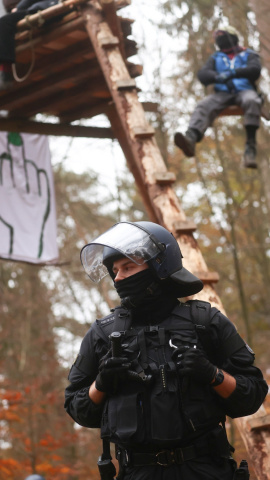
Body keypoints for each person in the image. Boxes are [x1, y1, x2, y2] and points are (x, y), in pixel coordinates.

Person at [65, 221, 268, 480]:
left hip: (206, 470)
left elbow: (252, 395)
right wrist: (101, 384)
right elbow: (76, 407)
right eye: (114, 271)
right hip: (136, 472)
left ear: (160, 267)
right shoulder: (102, 335)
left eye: (128, 267)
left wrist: (212, 374)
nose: (118, 277)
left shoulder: (206, 322)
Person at [174, 25, 262, 169]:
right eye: (217, 36)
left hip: (245, 90)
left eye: (223, 35)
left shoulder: (248, 54)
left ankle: (250, 148)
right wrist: (218, 77)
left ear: (232, 37)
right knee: (204, 105)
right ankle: (191, 137)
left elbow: (255, 70)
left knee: (252, 100)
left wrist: (233, 73)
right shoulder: (216, 57)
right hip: (223, 93)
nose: (220, 38)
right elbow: (203, 74)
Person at [0, 0, 59, 90]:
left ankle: (5, 70)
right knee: (4, 23)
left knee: (4, 23)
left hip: (49, 7)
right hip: (36, 9)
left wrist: (19, 8)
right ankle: (4, 70)